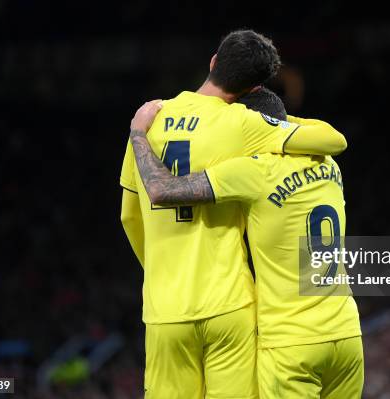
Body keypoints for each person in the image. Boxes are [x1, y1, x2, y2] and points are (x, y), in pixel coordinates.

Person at [120, 30, 347, 398]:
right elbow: (331, 140)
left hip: (165, 307)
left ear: (213, 62)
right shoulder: (242, 124)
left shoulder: (148, 121)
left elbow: (129, 218)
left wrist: (160, 268)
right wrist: (282, 120)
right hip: (231, 303)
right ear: (253, 88)